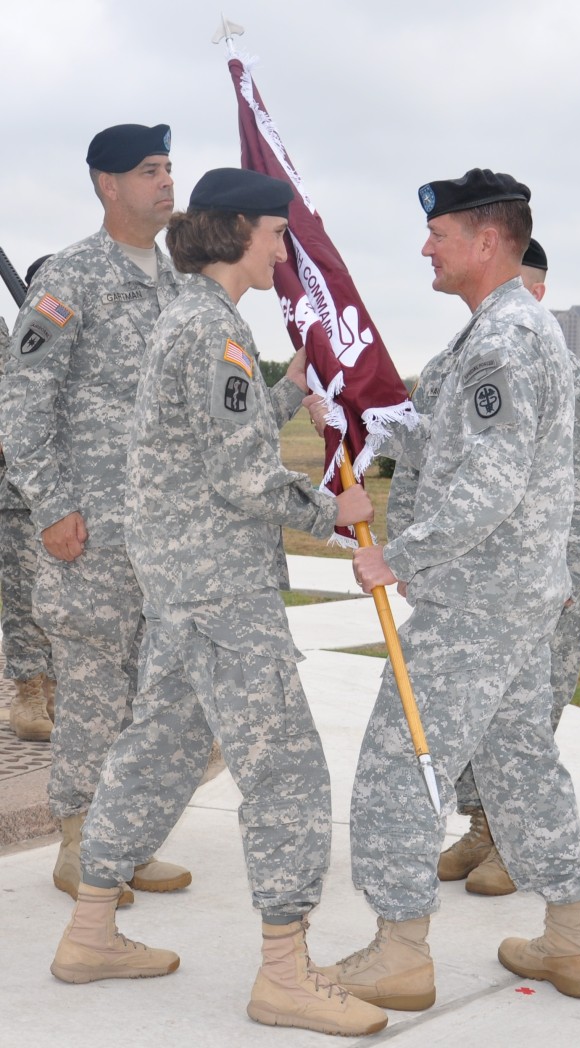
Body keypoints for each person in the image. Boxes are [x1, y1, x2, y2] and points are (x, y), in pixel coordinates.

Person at [49, 167, 387, 1038]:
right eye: (276, 233)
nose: (284, 249)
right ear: (237, 231)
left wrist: (286, 389)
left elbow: (208, 436)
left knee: (157, 749)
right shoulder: (212, 330)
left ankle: (89, 932)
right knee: (287, 771)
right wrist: (334, 513)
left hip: (182, 584)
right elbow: (239, 473)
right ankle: (284, 972)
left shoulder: (197, 322)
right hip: (218, 590)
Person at [315, 169, 580, 1007]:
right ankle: (570, 938)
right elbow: (446, 434)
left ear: (486, 240)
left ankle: (400, 950)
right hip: (514, 600)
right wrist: (360, 422)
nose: (425, 248)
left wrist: (398, 554)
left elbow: (490, 484)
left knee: (401, 758)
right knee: (519, 765)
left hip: (476, 602)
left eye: (438, 235)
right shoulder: (508, 331)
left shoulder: (505, 341)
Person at [0, 124, 190, 901]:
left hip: (163, 535)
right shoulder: (70, 278)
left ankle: (127, 838)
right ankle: (80, 845)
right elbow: (23, 402)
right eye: (150, 170)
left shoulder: (176, 285)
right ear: (108, 185)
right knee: (91, 690)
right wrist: (50, 504)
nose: (167, 182)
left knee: (150, 692)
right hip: (88, 533)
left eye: (171, 168)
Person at [438, 238, 580, 895]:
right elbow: (431, 453)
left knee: (524, 727)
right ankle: (484, 829)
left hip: (539, 589)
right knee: (474, 719)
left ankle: (517, 846)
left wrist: (569, 576)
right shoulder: (456, 362)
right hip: (470, 590)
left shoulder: (560, 371)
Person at [1, 263, 57, 740]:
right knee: (24, 599)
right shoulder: (16, 340)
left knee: (70, 600)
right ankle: (28, 693)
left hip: (75, 492)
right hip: (20, 495)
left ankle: (62, 689)